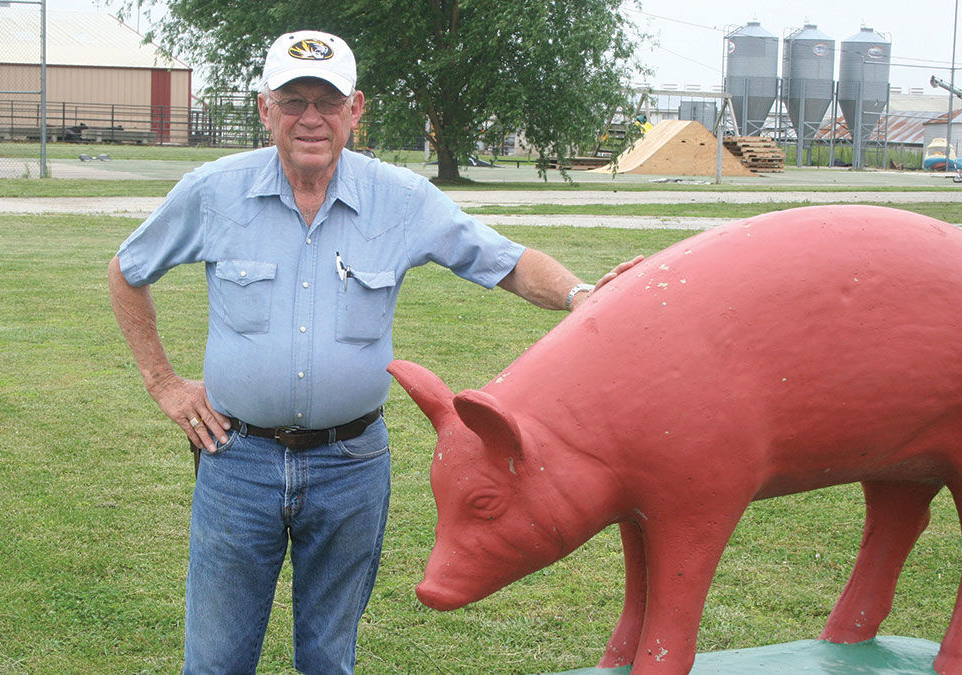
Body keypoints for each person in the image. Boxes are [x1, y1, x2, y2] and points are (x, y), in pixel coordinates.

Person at [108, 29, 632, 675]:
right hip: (237, 462)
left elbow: (507, 262)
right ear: (265, 109)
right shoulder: (214, 190)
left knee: (329, 657)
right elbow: (128, 268)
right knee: (216, 659)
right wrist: (163, 381)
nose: (310, 118)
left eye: (326, 102)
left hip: (351, 466)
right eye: (292, 100)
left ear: (355, 110)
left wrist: (582, 294)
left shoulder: (403, 199)